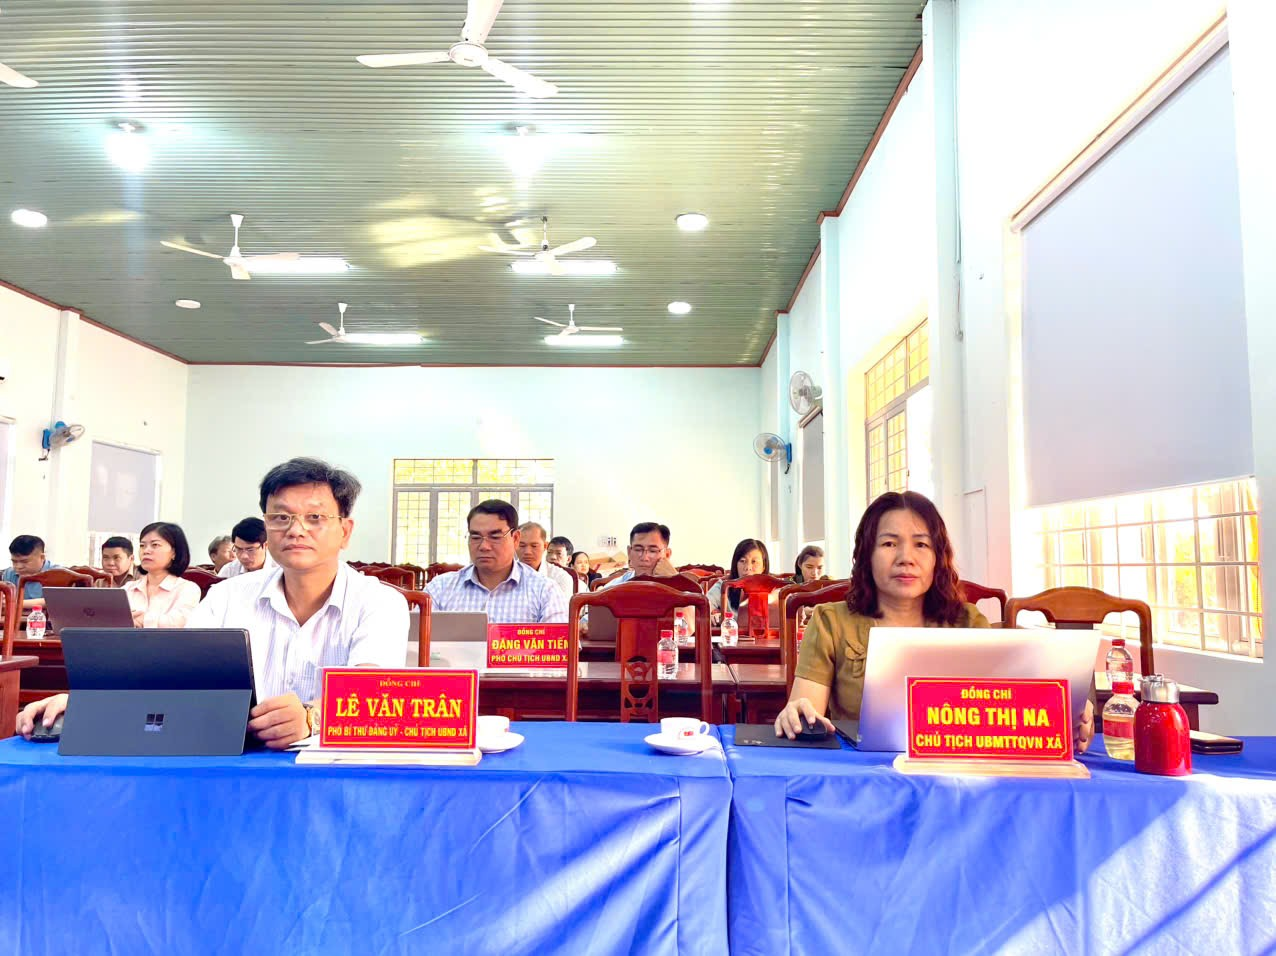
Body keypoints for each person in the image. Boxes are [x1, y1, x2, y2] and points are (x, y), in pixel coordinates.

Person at [17, 457, 409, 750]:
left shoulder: (379, 603)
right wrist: (89, 703)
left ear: (345, 531)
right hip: (229, 759)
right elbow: (177, 675)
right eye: (281, 517)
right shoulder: (227, 596)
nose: (296, 530)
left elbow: (372, 692)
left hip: (329, 769)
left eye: (315, 517)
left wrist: (311, 718)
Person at [773, 491, 1095, 753]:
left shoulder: (967, 622)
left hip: (957, 778)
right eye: (889, 544)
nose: (906, 558)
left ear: (938, 557)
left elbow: (1009, 709)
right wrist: (798, 714)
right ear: (866, 555)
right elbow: (807, 709)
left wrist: (1065, 715)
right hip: (864, 778)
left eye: (921, 544)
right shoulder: (831, 622)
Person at [426, 500, 568, 624]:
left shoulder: (545, 591)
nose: (484, 546)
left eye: (495, 537)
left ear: (515, 539)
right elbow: (417, 642)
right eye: (475, 537)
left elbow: (558, 645)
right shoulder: (439, 589)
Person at [124, 522, 201, 628]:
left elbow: (180, 622)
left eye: (155, 545)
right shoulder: (127, 588)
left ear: (174, 552)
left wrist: (143, 620)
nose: (146, 551)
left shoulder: (188, 589)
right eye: (142, 546)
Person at [707, 538, 774, 618]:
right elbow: (705, 607)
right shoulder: (724, 586)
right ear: (735, 565)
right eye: (742, 561)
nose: (748, 567)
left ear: (764, 566)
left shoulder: (774, 589)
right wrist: (713, 615)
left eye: (754, 562)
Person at [516, 522, 576, 596]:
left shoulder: (560, 577)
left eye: (534, 546)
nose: (527, 552)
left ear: (545, 546)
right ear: (514, 544)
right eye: (522, 545)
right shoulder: (506, 574)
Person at [3, 535, 60, 608]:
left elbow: (55, 601)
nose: (18, 566)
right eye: (14, 561)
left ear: (42, 557)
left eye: (24, 561)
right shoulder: (9, 573)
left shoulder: (58, 574)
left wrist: (14, 603)